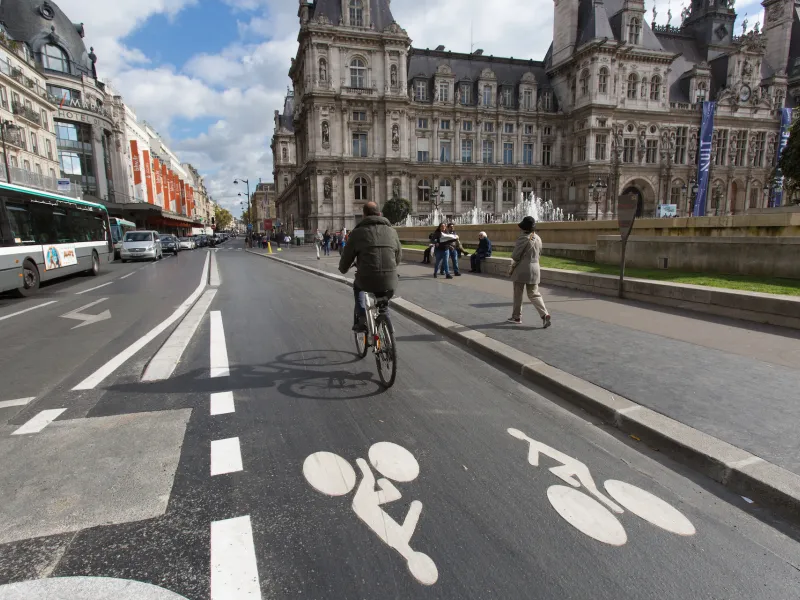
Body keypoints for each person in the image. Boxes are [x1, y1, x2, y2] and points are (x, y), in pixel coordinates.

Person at [339, 202, 403, 332]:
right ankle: (384, 314)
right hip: (391, 280)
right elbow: (398, 256)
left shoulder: (357, 233)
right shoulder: (392, 231)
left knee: (358, 287)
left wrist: (343, 269)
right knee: (383, 291)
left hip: (367, 279)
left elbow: (346, 258)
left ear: (364, 216)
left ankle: (362, 318)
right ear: (379, 214)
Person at [508, 216, 551, 328]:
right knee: (534, 293)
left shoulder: (523, 238)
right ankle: (544, 314)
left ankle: (516, 317)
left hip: (522, 269)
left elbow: (516, 256)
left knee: (518, 293)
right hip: (535, 268)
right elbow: (540, 253)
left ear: (524, 228)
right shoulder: (538, 238)